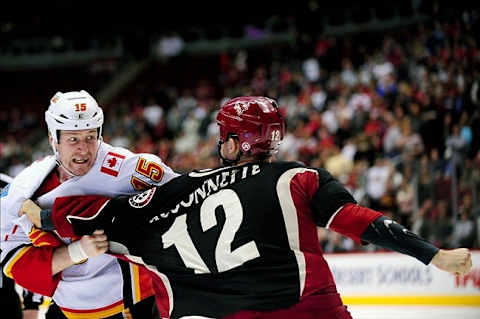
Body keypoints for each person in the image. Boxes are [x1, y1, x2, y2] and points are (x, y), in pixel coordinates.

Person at [22, 96, 472, 319]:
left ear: (241, 140)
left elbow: (109, 215)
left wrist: (41, 215)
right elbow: (358, 222)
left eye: (226, 136)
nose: (221, 143)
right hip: (310, 307)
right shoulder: (300, 177)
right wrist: (431, 254)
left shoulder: (185, 188)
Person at [1, 90, 178, 318]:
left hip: (136, 301)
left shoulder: (129, 169)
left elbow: (180, 198)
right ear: (53, 138)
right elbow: (16, 262)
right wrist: (77, 251)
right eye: (73, 139)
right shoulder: (24, 189)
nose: (83, 149)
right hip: (70, 310)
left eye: (90, 137)